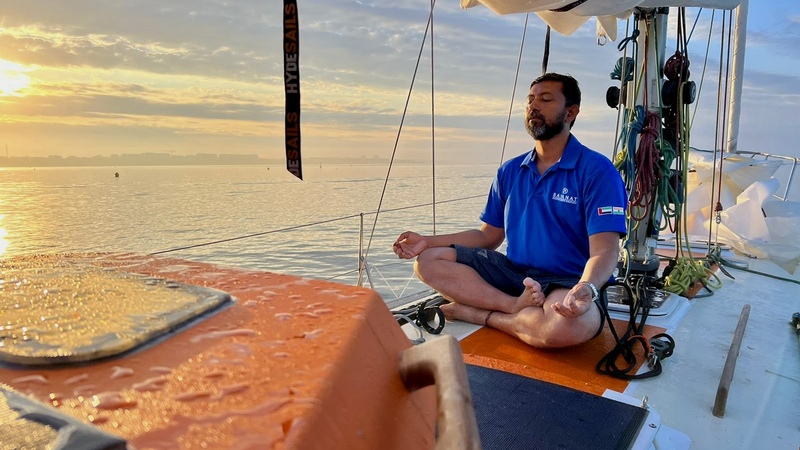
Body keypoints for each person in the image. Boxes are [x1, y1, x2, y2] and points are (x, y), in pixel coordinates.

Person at [393, 73, 627, 348]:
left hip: (568, 280)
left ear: (571, 112)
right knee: (429, 261)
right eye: (530, 100)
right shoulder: (511, 170)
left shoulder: (597, 171)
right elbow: (488, 238)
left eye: (545, 99)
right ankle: (513, 307)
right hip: (515, 275)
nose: (533, 106)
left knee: (563, 328)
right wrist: (426, 242)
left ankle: (480, 314)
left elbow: (605, 251)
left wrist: (586, 287)